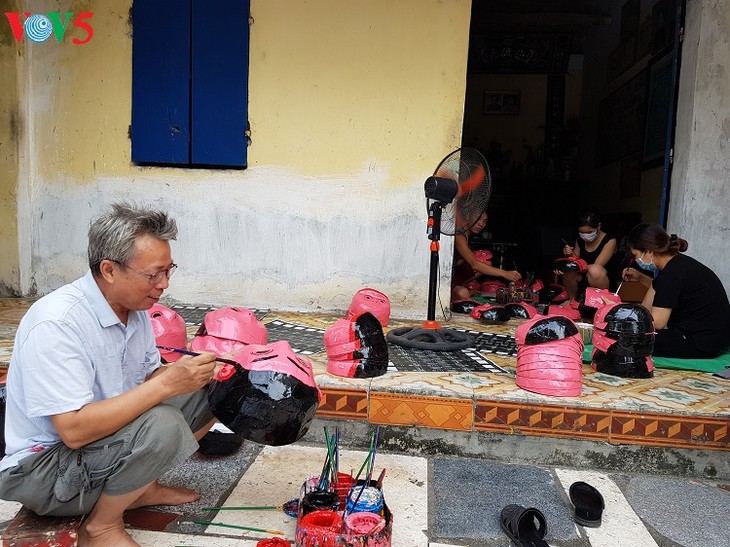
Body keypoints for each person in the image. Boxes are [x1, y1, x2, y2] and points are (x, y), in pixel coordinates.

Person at [0, 203, 219, 547]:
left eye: (168, 270)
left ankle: (139, 488)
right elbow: (73, 431)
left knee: (211, 390)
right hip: (44, 471)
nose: (163, 284)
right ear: (109, 269)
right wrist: (166, 382)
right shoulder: (58, 323)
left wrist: (191, 374)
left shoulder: (135, 311)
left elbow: (145, 383)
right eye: (153, 274)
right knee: (163, 423)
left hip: (96, 449)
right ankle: (100, 527)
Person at [622, 223, 730, 358]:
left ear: (649, 251)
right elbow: (651, 302)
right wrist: (640, 277)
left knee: (629, 338)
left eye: (635, 255)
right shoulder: (678, 265)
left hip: (700, 342)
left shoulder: (672, 274)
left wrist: (617, 313)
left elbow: (657, 322)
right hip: (713, 338)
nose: (636, 260)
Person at [452, 210, 521, 301]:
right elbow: (474, 264)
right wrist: (505, 273)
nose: (481, 224)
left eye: (484, 221)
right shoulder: (459, 235)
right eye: (478, 219)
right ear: (467, 218)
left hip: (456, 279)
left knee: (485, 261)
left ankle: (459, 287)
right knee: (463, 293)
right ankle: (452, 291)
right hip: (444, 281)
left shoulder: (466, 236)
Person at [560, 208, 618, 299]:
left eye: (589, 232)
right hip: (582, 276)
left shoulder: (610, 241)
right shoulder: (580, 239)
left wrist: (575, 267)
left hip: (601, 279)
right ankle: (572, 301)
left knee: (595, 270)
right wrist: (569, 255)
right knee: (568, 272)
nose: (585, 235)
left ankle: (603, 302)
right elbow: (575, 260)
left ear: (598, 226)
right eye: (581, 232)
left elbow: (597, 266)